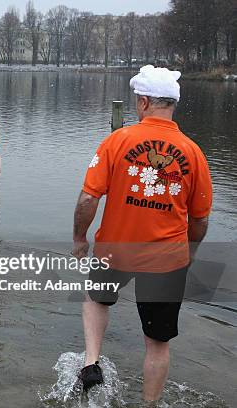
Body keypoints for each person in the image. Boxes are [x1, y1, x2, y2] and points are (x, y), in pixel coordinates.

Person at [71, 65, 213, 402]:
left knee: (96, 298)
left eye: (138, 100)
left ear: (144, 102)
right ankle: (149, 403)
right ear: (172, 104)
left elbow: (89, 198)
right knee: (157, 344)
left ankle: (92, 361)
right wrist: (189, 252)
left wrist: (80, 238)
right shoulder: (194, 153)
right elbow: (201, 219)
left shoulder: (118, 140)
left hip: (115, 250)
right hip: (166, 258)